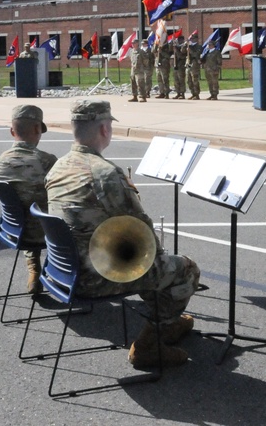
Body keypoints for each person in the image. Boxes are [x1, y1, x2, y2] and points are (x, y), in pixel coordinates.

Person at [46, 99, 201, 368]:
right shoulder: (106, 174)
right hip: (97, 278)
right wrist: (162, 264)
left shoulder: (57, 167)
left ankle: (167, 323)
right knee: (185, 269)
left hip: (64, 272)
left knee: (154, 267)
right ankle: (149, 345)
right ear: (105, 130)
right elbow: (144, 236)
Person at [0, 104, 57, 293]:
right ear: (37, 129)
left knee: (31, 209)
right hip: (42, 234)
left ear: (12, 131)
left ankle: (34, 269)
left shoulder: (0, 161)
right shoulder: (47, 161)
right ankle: (72, 276)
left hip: (12, 230)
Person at [185, 33, 201, 100]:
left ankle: (196, 94)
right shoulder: (189, 46)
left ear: (196, 39)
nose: (192, 40)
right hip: (188, 64)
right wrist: (185, 45)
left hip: (194, 65)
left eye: (193, 39)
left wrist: (190, 50)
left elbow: (196, 55)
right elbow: (182, 51)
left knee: (195, 80)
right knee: (188, 80)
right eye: (191, 39)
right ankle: (193, 93)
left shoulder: (199, 46)